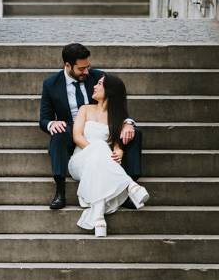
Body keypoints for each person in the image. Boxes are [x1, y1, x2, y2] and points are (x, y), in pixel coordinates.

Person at [38, 42, 142, 211]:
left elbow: (116, 103)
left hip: (100, 130)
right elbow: (44, 119)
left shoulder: (98, 77)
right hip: (71, 132)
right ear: (67, 65)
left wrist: (128, 122)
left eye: (88, 66)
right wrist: (52, 123)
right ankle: (60, 191)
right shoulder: (51, 84)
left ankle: (129, 189)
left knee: (134, 133)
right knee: (57, 133)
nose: (86, 72)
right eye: (81, 69)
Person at [68, 75, 150, 237]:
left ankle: (99, 218)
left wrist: (119, 151)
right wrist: (97, 151)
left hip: (101, 165)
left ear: (109, 91)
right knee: (99, 146)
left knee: (100, 157)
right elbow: (77, 136)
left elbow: (116, 144)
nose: (94, 86)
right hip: (79, 161)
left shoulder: (118, 117)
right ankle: (129, 185)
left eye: (99, 84)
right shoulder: (85, 109)